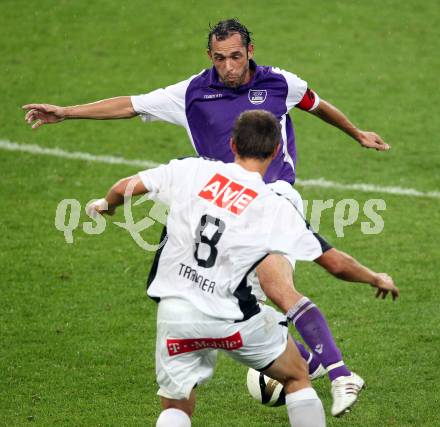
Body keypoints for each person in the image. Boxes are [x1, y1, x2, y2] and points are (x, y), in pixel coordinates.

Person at [23, 18, 397, 416]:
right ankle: (307, 357)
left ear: (250, 51)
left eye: (236, 56)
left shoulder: (281, 84)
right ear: (210, 56)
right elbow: (131, 105)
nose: (229, 67)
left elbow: (317, 105)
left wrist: (356, 132)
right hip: (214, 202)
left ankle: (340, 374)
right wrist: (66, 112)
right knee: (229, 293)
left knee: (274, 284)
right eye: (220, 59)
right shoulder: (192, 93)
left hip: (272, 197)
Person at [88, 110, 330, 427]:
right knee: (298, 374)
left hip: (179, 306)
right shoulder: (270, 198)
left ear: (231, 145)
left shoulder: (192, 171)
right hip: (230, 311)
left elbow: (125, 187)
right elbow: (299, 274)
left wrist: (106, 204)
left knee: (175, 405)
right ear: (274, 152)